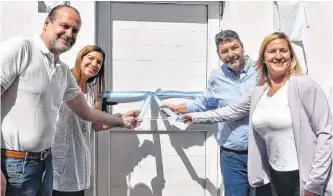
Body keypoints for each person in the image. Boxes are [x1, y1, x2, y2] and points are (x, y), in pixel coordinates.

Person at [0, 5, 140, 196]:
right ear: (47, 23)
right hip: (14, 162)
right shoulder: (21, 49)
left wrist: (120, 120)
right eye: (64, 26)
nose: (69, 33)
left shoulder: (62, 72)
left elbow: (87, 112)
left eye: (75, 30)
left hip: (45, 164)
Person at [182, 32, 332, 196]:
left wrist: (315, 183)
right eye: (272, 52)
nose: (278, 56)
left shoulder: (304, 85)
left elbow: (326, 133)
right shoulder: (260, 90)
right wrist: (195, 116)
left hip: (300, 177)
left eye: (283, 50)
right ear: (263, 58)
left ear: (291, 55)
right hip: (273, 175)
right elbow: (233, 110)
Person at [162, 30, 258, 196]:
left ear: (242, 46)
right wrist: (179, 108)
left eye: (234, 48)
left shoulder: (261, 71)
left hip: (261, 151)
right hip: (232, 154)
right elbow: (205, 102)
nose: (231, 54)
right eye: (224, 51)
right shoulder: (217, 77)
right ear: (218, 54)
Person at [51, 45, 140, 196]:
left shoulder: (92, 92)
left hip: (79, 162)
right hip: (57, 162)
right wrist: (118, 120)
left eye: (99, 62)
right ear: (81, 58)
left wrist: (121, 118)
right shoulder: (64, 81)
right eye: (91, 58)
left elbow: (97, 125)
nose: (95, 64)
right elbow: (87, 113)